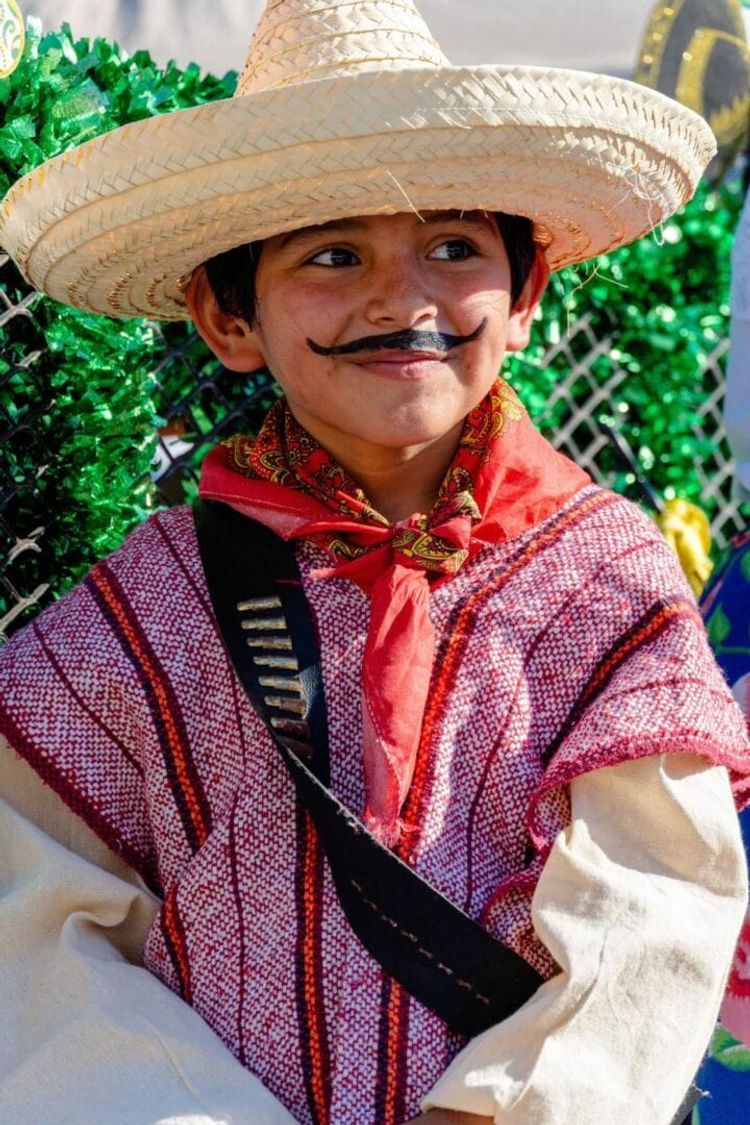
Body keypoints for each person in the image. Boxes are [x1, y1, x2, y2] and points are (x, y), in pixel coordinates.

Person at [0, 2, 749, 1122]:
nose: (403, 299)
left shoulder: (607, 584)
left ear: (527, 288)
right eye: (334, 255)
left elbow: (656, 911)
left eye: (454, 247)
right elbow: (37, 934)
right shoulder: (141, 612)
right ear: (226, 314)